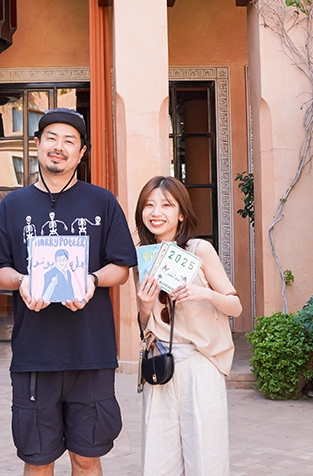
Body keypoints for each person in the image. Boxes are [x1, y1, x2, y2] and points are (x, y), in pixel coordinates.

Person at [0, 108, 137, 476]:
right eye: (51, 138)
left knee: (87, 458)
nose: (59, 147)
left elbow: (121, 268)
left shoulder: (102, 202)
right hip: (35, 355)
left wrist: (92, 279)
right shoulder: (12, 205)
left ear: (81, 153)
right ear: (37, 144)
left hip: (91, 353)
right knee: (37, 461)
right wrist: (22, 281)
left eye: (69, 141)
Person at [135, 176, 242, 476]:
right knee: (158, 460)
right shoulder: (144, 256)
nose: (156, 212)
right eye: (149, 205)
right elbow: (146, 325)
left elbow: (235, 305)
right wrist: (144, 305)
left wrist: (204, 293)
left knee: (206, 458)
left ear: (181, 213)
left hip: (200, 365)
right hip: (160, 366)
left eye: (166, 205)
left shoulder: (198, 250)